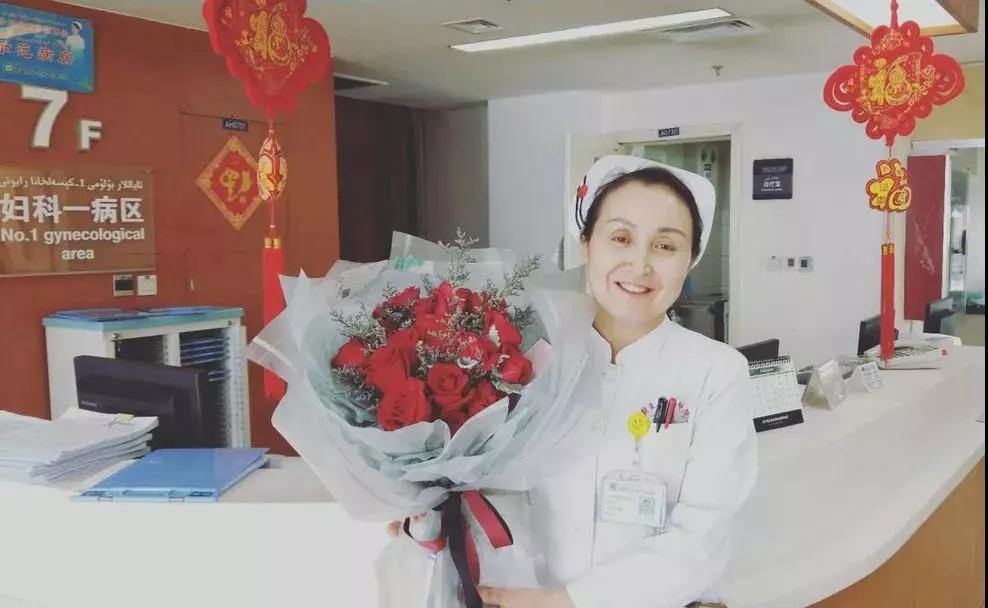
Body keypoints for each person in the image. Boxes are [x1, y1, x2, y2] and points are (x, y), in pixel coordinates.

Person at [475, 155, 758, 608]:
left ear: (690, 261)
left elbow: (702, 540)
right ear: (587, 244)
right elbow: (488, 491)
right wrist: (429, 512)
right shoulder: (527, 359)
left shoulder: (717, 373)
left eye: (665, 246)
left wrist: (568, 602)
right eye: (621, 238)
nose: (640, 264)